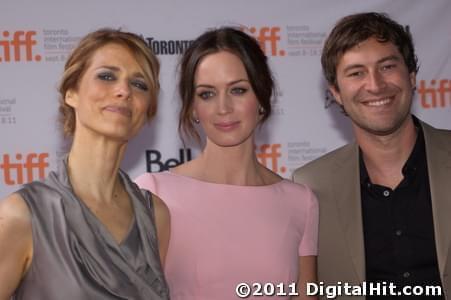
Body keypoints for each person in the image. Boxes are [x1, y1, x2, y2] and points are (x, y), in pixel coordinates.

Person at [135, 27, 318, 299]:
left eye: (238, 90)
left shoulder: (301, 201)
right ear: (193, 108)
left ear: (262, 98)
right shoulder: (153, 192)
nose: (223, 108)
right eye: (207, 94)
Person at [0, 28, 169, 299]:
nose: (124, 90)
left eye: (139, 84)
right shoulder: (22, 215)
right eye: (106, 76)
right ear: (71, 93)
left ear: (147, 110)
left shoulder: (154, 216)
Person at [293, 12, 451, 299]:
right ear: (336, 93)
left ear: (412, 76)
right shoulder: (309, 186)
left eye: (387, 66)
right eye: (356, 73)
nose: (376, 85)